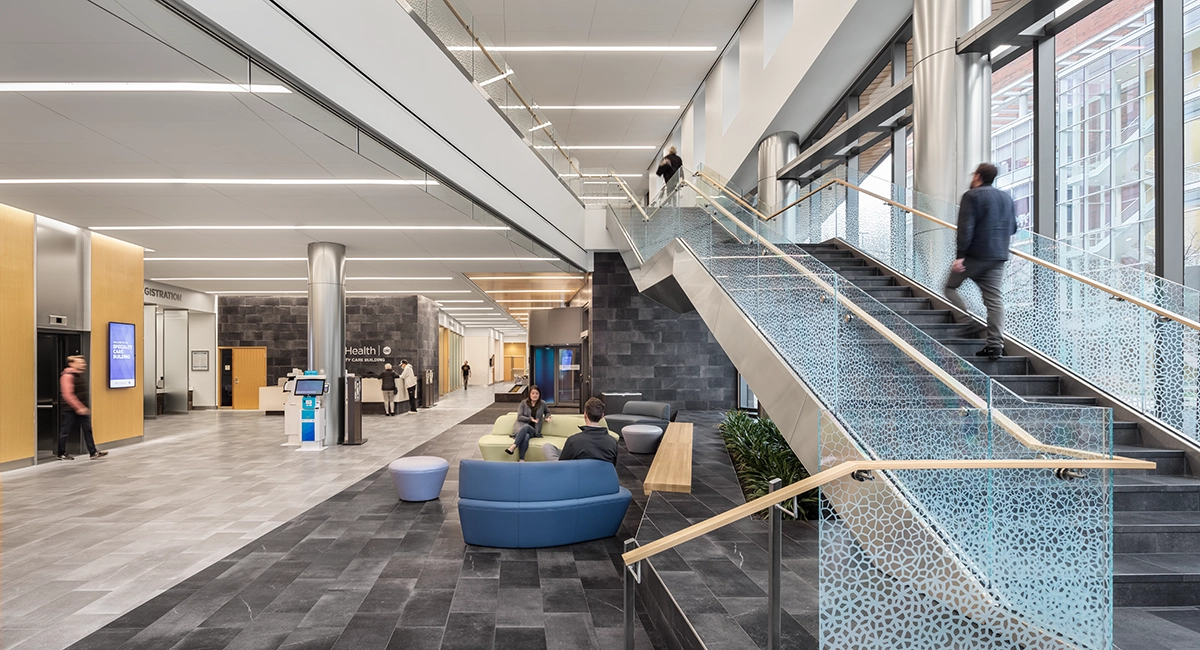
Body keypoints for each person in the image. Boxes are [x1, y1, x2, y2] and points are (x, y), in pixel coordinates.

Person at [944, 162, 1018, 361]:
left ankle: (967, 321)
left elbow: (965, 228)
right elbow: (1013, 228)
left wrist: (960, 256)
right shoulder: (1006, 198)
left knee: (950, 287)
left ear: (977, 176)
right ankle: (995, 345)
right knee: (994, 300)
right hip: (998, 256)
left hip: (975, 256)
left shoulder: (971, 196)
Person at [58, 355, 107, 460]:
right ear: (72, 364)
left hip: (81, 407)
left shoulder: (79, 376)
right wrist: (78, 407)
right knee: (66, 430)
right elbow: (68, 394)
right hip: (70, 408)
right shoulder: (67, 376)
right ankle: (61, 452)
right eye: (79, 362)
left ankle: (93, 452)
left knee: (87, 429)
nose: (83, 364)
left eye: (83, 362)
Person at [543, 397, 617, 465]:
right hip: (602, 477)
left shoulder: (574, 441)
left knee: (547, 447)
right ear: (602, 416)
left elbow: (563, 465)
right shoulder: (612, 442)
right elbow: (613, 466)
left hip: (577, 476)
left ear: (585, 415)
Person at [506, 385, 551, 461]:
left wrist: (547, 417)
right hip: (520, 428)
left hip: (534, 430)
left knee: (527, 427)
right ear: (529, 394)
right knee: (526, 436)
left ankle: (513, 446)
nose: (535, 395)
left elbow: (548, 412)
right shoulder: (523, 403)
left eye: (537, 393)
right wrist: (530, 419)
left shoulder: (542, 403)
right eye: (533, 393)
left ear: (539, 394)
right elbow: (519, 417)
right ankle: (521, 459)